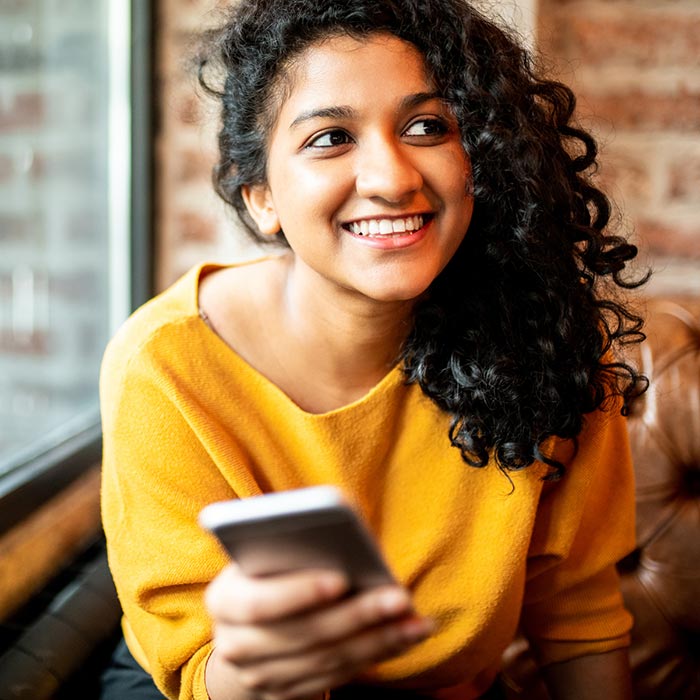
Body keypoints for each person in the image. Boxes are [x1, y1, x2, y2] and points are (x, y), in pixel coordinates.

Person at [99, 0, 649, 698]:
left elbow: (578, 615)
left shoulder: (547, 340)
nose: (392, 179)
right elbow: (199, 669)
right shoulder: (166, 366)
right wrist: (256, 662)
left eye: (427, 127)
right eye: (330, 138)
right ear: (262, 196)